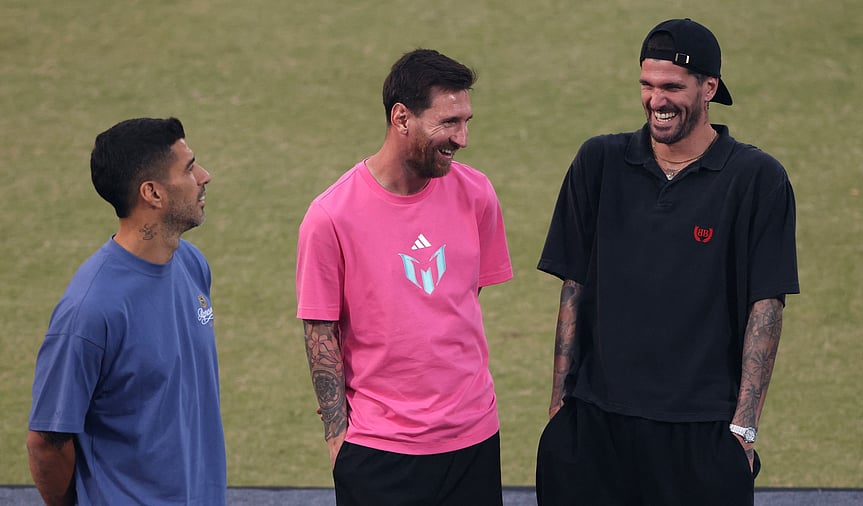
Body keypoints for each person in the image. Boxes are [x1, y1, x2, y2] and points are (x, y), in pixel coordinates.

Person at [534, 18, 800, 505]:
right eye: (648, 85)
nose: (657, 100)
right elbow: (573, 287)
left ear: (709, 88)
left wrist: (744, 429)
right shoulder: (598, 162)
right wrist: (559, 408)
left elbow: (766, 305)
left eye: (673, 87)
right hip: (595, 427)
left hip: (701, 433)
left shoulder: (758, 179)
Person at [295, 48, 513, 506]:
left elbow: (461, 299)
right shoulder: (331, 216)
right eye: (448, 123)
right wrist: (337, 439)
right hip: (379, 452)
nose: (463, 138)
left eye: (466, 121)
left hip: (473, 439)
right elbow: (319, 329)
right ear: (401, 118)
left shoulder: (477, 194)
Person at [26, 117, 226, 506]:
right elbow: (47, 441)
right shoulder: (90, 310)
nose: (204, 176)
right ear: (152, 193)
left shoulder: (192, 264)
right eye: (189, 168)